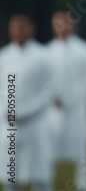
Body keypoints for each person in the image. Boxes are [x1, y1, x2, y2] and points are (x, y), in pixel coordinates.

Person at [0, 12, 55, 191]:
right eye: (14, 26)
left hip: (36, 125)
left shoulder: (43, 56)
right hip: (9, 124)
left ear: (32, 29)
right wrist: (6, 111)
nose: (17, 30)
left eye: (22, 26)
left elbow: (49, 90)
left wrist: (23, 112)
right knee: (11, 173)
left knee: (39, 174)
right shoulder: (4, 56)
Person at [47, 10, 86, 190]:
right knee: (48, 150)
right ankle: (45, 183)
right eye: (57, 23)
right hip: (52, 110)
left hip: (78, 110)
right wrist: (52, 98)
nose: (61, 27)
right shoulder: (48, 51)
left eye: (65, 22)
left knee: (81, 152)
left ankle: (84, 186)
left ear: (74, 24)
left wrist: (68, 99)